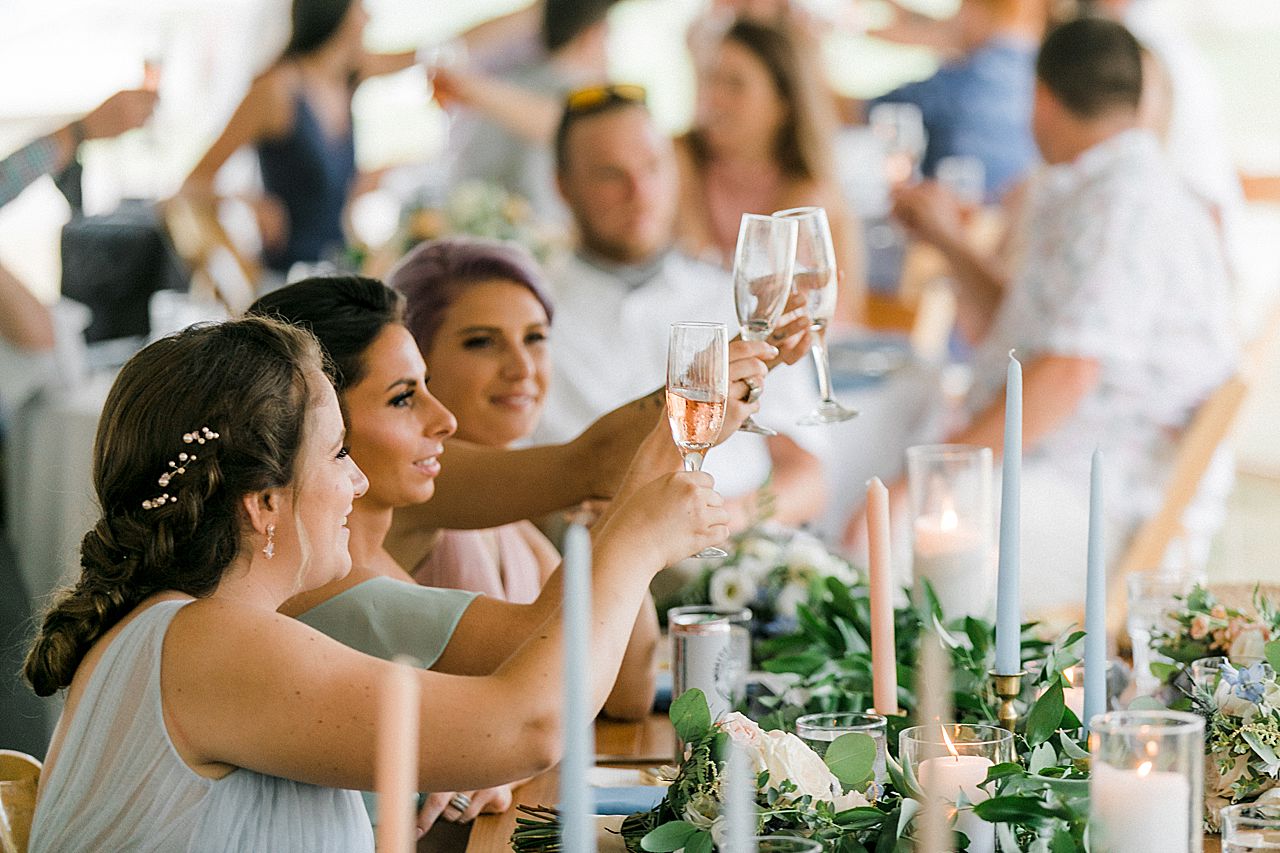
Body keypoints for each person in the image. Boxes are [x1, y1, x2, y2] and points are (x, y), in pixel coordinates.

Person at [24, 315, 727, 851]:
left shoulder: (192, 634)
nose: (357, 481)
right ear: (262, 502)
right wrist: (637, 544)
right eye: (337, 454)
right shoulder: (208, 644)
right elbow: (531, 722)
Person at [250, 275, 773, 832]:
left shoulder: (367, 558)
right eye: (404, 397)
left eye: (536, 338)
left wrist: (473, 753)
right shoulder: (334, 584)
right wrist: (645, 515)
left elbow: (591, 681)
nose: (443, 419)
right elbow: (544, 700)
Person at [843, 17, 1236, 610]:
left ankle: (912, 700)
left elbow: (1067, 372)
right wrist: (949, 242)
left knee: (898, 534)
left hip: (1101, 499)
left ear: (1042, 98)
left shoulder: (1126, 204)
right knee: (867, 461)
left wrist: (946, 477)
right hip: (1059, 469)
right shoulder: (1092, 187)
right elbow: (1017, 331)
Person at [536, 85, 829, 532]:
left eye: (652, 167)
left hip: (735, 549)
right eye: (611, 175)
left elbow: (806, 476)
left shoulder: (740, 300)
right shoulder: (531, 316)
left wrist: (723, 523)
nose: (640, 191)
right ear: (563, 186)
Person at [181, 0, 418, 275]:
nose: (368, 18)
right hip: (285, 284)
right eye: (360, 7)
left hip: (337, 274)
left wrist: (380, 176)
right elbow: (192, 184)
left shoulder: (344, 81)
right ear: (334, 12)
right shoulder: (275, 91)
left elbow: (430, 54)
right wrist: (246, 202)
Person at [387, 238, 561, 603]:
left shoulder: (514, 525)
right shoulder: (413, 483)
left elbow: (616, 653)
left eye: (535, 337)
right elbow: (599, 457)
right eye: (482, 342)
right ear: (413, 358)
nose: (523, 367)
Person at [674, 19, 865, 322]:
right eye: (712, 79)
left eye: (735, 85)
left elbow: (757, 296)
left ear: (783, 104)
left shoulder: (810, 192)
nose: (714, 97)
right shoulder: (679, 159)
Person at [435, 0, 618, 224]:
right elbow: (563, 124)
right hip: (526, 230)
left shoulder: (505, 83)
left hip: (470, 215)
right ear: (594, 35)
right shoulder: (580, 98)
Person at [865, 0, 1045, 198]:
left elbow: (857, 111)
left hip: (959, 215)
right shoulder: (1036, 65)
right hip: (1011, 215)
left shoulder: (962, 80)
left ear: (975, 10)